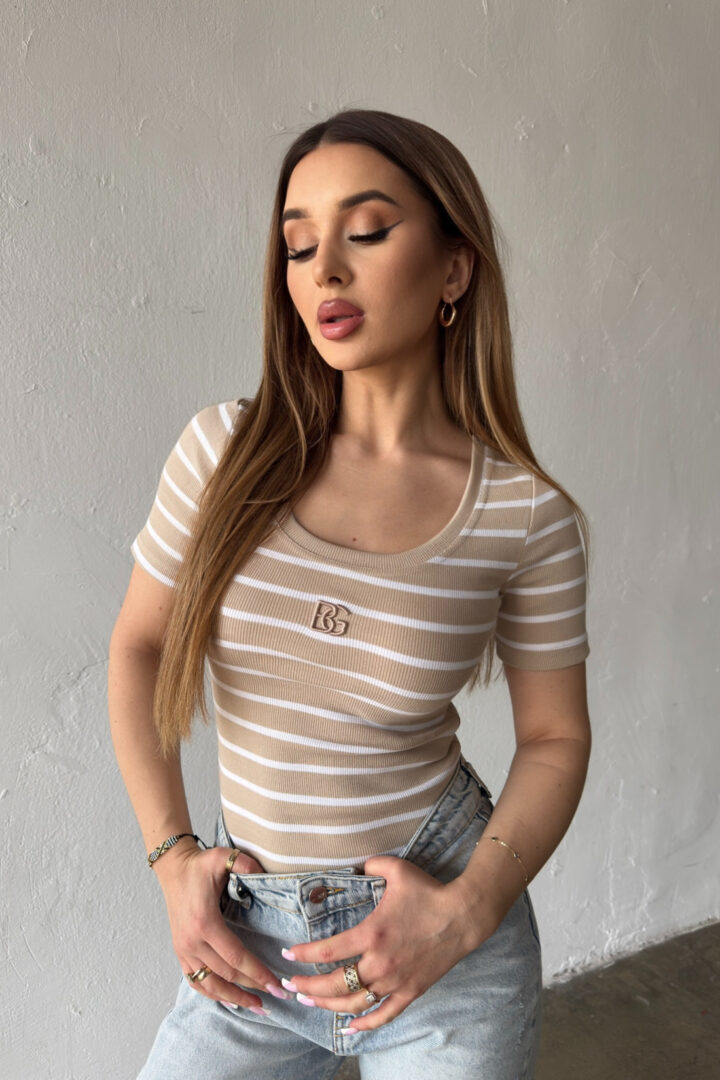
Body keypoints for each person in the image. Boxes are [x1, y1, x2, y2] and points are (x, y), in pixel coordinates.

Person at [108, 107, 592, 1080]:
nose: (325, 269)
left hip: (442, 949)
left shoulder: (524, 513)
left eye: (366, 231)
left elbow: (556, 738)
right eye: (299, 245)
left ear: (454, 269)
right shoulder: (220, 453)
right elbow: (140, 649)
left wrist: (469, 911)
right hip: (249, 944)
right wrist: (171, 861)